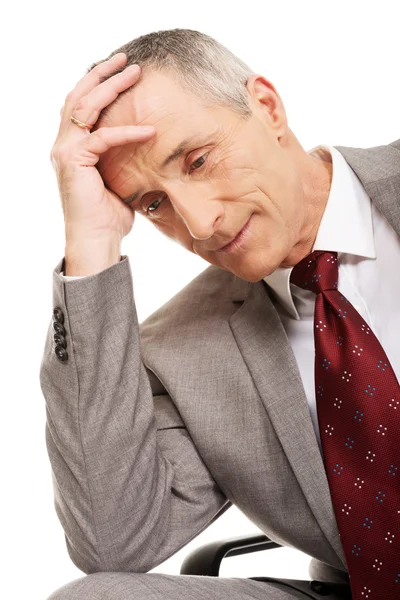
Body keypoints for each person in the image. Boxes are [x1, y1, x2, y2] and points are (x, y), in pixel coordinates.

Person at [40, 28, 400, 600]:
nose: (201, 223)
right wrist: (91, 240)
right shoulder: (183, 350)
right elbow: (111, 545)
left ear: (266, 107)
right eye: (153, 204)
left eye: (200, 160)